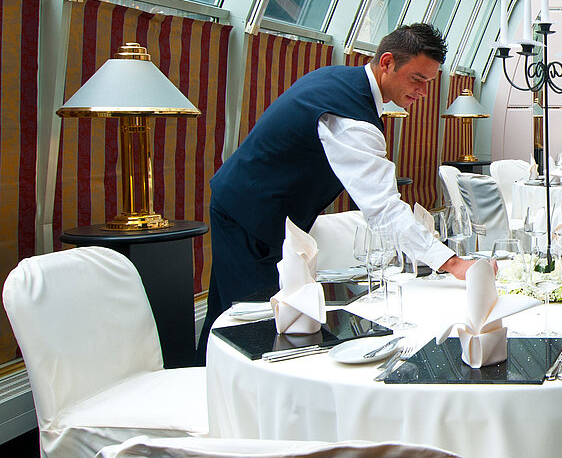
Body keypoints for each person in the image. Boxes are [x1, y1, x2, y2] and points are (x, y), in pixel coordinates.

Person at [199, 23, 481, 358]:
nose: (422, 92)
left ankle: (203, 381)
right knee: (254, 327)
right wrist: (452, 263)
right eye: (417, 79)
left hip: (247, 205)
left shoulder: (339, 80)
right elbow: (384, 210)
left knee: (229, 315)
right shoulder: (351, 118)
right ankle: (230, 396)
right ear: (387, 62)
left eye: (428, 83)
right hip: (251, 216)